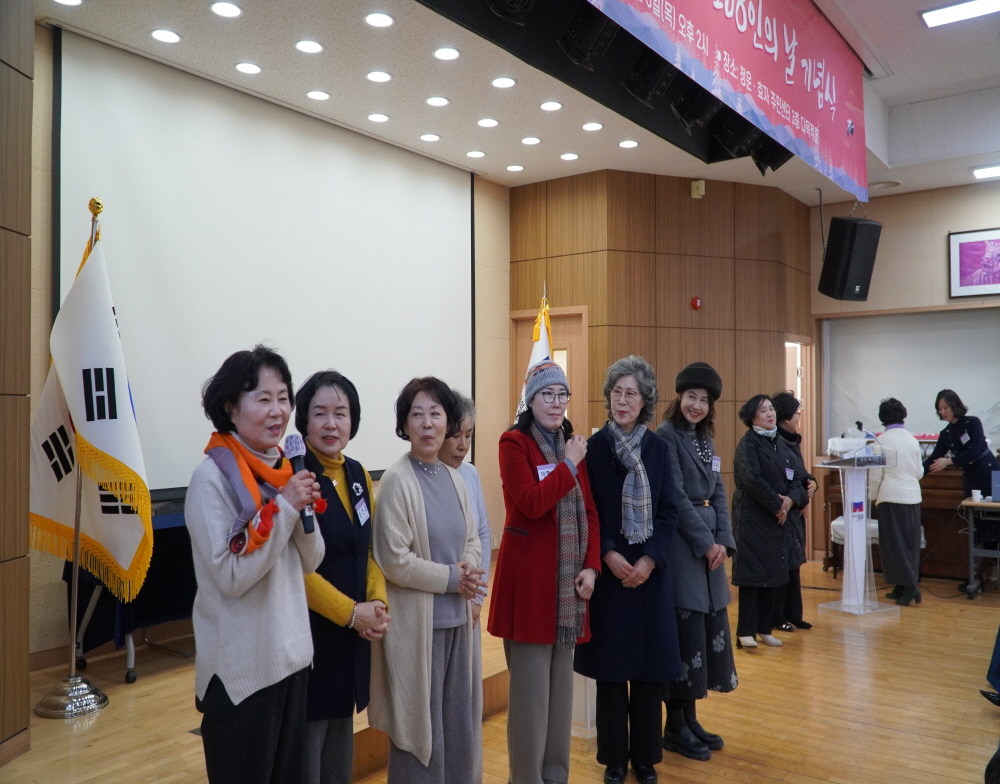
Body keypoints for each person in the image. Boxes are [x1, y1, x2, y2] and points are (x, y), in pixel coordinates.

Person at [186, 346, 325, 784]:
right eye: (263, 399)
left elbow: (312, 559)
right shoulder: (211, 480)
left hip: (291, 660)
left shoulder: (286, 472)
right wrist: (285, 508)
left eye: (283, 398)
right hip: (241, 675)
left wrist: (296, 507)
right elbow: (232, 578)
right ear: (230, 406)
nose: (278, 410)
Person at [488, 360, 601, 784]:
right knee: (530, 703)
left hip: (568, 591)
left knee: (559, 700)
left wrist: (592, 567)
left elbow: (590, 511)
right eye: (547, 395)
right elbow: (532, 503)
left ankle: (555, 777)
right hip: (530, 590)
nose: (556, 403)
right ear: (530, 400)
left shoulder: (572, 447)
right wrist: (568, 465)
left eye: (561, 395)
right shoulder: (513, 443)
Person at [367, 377, 485, 784]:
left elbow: (472, 539)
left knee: (457, 730)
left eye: (435, 414)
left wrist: (468, 569)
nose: (427, 423)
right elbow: (394, 560)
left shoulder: (454, 477)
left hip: (458, 625)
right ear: (405, 425)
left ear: (447, 421)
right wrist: (453, 578)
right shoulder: (397, 480)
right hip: (419, 629)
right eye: (417, 414)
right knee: (421, 737)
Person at [574, 356, 681, 784]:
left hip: (650, 575)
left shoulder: (658, 448)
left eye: (630, 394)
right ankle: (615, 760)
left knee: (650, 675)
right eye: (616, 392)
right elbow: (588, 509)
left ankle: (646, 759)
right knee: (612, 673)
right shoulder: (594, 448)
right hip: (611, 574)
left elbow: (669, 511)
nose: (622, 401)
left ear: (644, 400)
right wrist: (608, 555)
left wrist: (650, 558)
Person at [294, 371, 391, 784]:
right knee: (308, 759)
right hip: (311, 635)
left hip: (352, 635)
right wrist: (352, 613)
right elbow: (295, 569)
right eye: (320, 413)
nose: (331, 423)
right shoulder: (295, 476)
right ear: (304, 419)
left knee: (338, 758)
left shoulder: (357, 473)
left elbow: (368, 549)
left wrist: (378, 603)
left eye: (341, 413)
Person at [656, 362, 737, 762]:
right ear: (679, 396)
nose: (697, 405)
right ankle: (674, 727)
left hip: (710, 552)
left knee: (703, 638)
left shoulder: (704, 437)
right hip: (683, 550)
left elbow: (718, 491)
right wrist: (706, 543)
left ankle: (690, 720)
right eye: (692, 397)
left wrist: (723, 541)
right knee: (685, 638)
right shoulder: (665, 436)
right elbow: (673, 496)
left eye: (704, 400)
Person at [731, 394, 808, 650]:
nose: (770, 413)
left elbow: (797, 478)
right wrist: (778, 505)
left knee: (772, 575)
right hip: (753, 518)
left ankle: (764, 629)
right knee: (752, 577)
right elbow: (750, 479)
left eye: (771, 409)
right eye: (763, 410)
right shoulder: (748, 443)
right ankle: (745, 632)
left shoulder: (779, 443)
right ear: (752, 417)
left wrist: (791, 501)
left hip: (778, 520)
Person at [437, 392, 491, 627]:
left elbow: (483, 533)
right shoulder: (420, 477)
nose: (464, 445)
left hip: (470, 597)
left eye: (468, 436)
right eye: (456, 436)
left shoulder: (470, 473)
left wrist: (478, 596)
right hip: (439, 598)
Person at [868, 397, 924, 608]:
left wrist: (872, 496)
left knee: (893, 546)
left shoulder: (880, 442)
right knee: (909, 545)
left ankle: (910, 587)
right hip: (913, 498)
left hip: (891, 498)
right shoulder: (912, 440)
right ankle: (901, 586)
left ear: (882, 418)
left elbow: (876, 475)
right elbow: (919, 473)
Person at [771, 392, 817, 631]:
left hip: (795, 511)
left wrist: (812, 484)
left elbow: (801, 475)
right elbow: (785, 481)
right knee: (782, 566)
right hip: (783, 512)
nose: (799, 417)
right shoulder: (775, 442)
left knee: (793, 565)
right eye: (797, 413)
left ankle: (794, 615)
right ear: (786, 417)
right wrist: (799, 496)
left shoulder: (793, 442)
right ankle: (779, 617)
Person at [924, 389, 1000, 498]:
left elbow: (974, 451)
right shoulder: (946, 434)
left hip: (989, 470)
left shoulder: (973, 422)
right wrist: (916, 473)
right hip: (970, 476)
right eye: (940, 409)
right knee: (972, 507)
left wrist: (949, 461)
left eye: (945, 408)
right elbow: (934, 459)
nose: (943, 412)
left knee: (995, 505)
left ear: (954, 406)